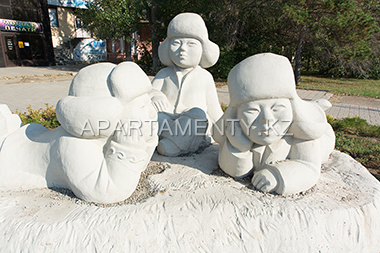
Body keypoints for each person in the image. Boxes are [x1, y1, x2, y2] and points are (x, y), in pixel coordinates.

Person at [0, 62, 158, 204]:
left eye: (148, 103)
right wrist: (129, 146)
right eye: (142, 107)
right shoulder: (72, 144)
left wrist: (147, 139)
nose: (151, 112)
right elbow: (107, 192)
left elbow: (140, 166)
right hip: (9, 158)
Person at [213, 53, 335, 195]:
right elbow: (233, 170)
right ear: (237, 114)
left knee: (324, 137)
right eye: (252, 110)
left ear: (292, 108)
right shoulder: (238, 130)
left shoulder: (301, 137)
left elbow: (309, 167)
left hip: (324, 137)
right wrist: (239, 149)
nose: (266, 119)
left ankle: (317, 107)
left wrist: (277, 176)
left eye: (277, 108)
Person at [150, 13, 223, 156]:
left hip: (190, 125)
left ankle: (169, 144)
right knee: (152, 115)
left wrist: (224, 129)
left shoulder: (205, 77)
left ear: (203, 49)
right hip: (167, 121)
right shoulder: (164, 74)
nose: (182, 49)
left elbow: (214, 108)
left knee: (198, 114)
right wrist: (155, 95)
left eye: (191, 44)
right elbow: (148, 93)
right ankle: (171, 142)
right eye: (176, 43)